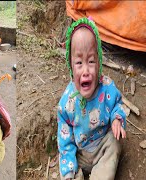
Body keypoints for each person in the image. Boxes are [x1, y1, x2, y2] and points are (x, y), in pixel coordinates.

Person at [57, 17, 127, 180]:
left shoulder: (107, 88)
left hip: (102, 147)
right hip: (80, 153)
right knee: (65, 160)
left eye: (91, 61)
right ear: (71, 66)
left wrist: (117, 118)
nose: (86, 70)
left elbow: (117, 104)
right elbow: (65, 138)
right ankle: (73, 174)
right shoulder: (67, 103)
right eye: (79, 62)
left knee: (115, 143)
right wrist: (69, 166)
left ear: (99, 63)